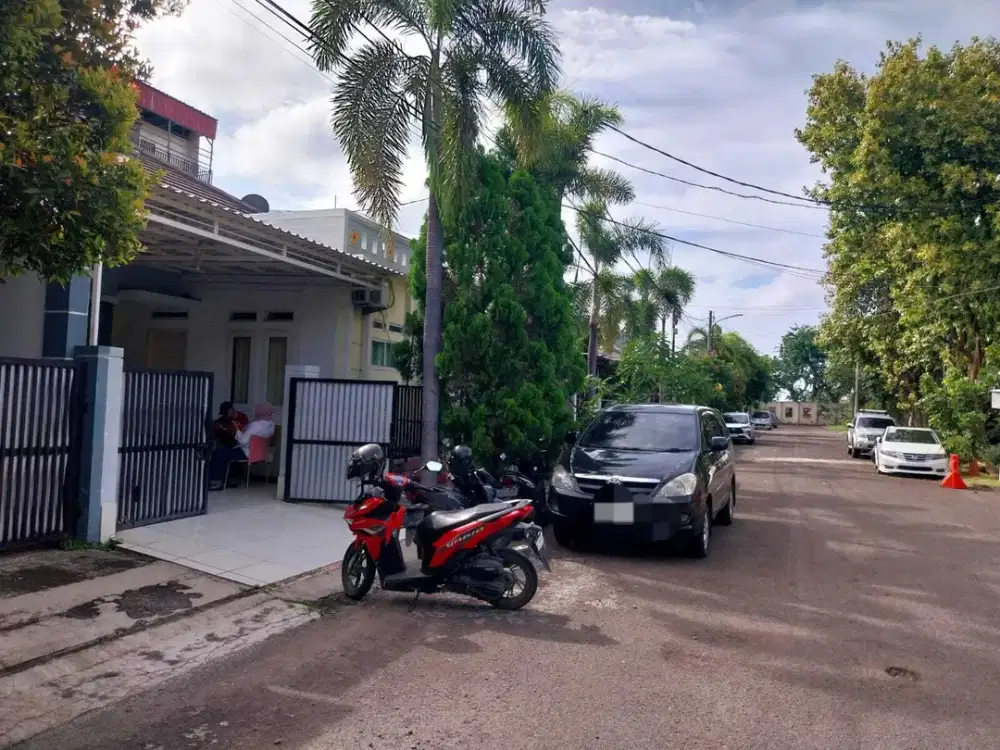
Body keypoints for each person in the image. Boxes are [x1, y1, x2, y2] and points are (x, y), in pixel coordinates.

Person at [208, 404, 276, 490]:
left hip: (247, 452)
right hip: (259, 453)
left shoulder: (256, 425)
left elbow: (243, 441)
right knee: (228, 452)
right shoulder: (271, 425)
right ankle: (232, 480)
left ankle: (215, 482)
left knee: (220, 453)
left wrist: (236, 430)